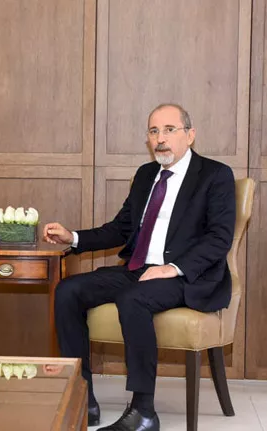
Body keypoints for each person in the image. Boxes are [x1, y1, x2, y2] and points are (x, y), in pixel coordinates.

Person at [43, 104, 235, 431]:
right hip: (139, 269)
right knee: (68, 290)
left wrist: (173, 267)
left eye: (169, 130)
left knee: (133, 298)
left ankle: (143, 411)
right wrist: (72, 237)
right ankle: (83, 397)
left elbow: (219, 238)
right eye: (153, 131)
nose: (160, 139)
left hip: (186, 276)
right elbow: (121, 229)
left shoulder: (215, 175)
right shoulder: (147, 175)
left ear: (190, 135)